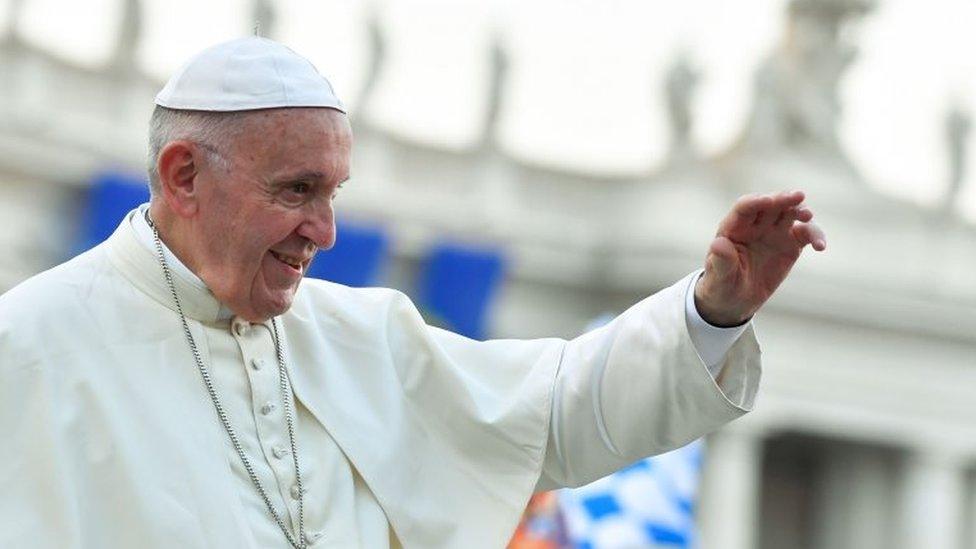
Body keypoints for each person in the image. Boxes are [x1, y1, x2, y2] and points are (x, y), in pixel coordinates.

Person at [0, 37, 826, 549]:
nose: (324, 230)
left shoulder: (359, 334)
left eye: (334, 193)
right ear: (184, 175)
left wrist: (713, 309)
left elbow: (560, 410)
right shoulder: (31, 344)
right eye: (296, 190)